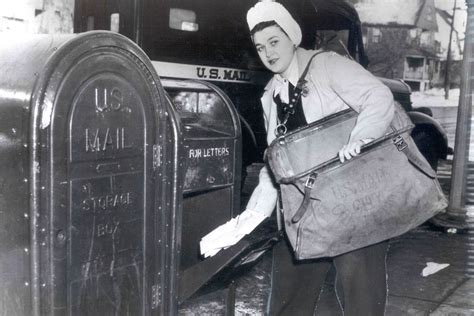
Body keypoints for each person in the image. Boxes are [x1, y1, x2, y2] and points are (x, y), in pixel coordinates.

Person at [244, 1, 395, 315]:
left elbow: (378, 96)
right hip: (306, 210)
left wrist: (360, 138)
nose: (268, 52)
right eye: (260, 47)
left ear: (292, 38)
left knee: (361, 297)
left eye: (274, 41)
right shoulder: (271, 95)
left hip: (353, 200)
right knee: (288, 294)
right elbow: (276, 161)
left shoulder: (327, 65)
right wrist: (252, 215)